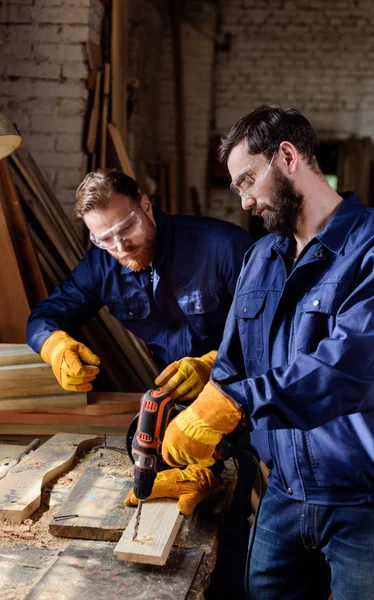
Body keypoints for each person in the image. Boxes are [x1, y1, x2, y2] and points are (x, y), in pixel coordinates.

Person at [159, 105, 374, 600]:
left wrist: (231, 406)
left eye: (248, 180)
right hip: (283, 497)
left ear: (287, 156)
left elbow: (348, 370)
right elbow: (233, 367)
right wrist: (208, 458)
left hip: (368, 508)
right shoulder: (262, 257)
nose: (245, 201)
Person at [26, 168, 255, 599]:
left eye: (125, 227)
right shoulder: (103, 264)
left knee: (232, 525)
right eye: (103, 239)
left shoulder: (224, 247)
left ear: (145, 206)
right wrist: (55, 345)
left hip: (238, 402)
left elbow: (276, 333)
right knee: (174, 539)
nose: (119, 245)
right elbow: (44, 317)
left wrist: (215, 365)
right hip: (176, 412)